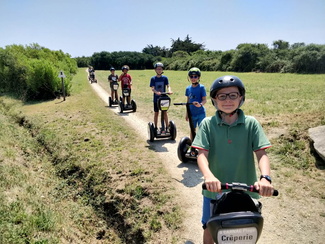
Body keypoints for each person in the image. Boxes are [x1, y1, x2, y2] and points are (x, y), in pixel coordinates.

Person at [191, 75, 274, 244]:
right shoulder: (207, 124)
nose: (228, 100)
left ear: (241, 98)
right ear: (214, 99)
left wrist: (265, 178)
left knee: (245, 233)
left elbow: (261, 154)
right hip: (214, 191)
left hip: (246, 191)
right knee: (210, 230)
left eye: (233, 95)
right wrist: (209, 176)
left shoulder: (251, 124)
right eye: (222, 96)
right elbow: (201, 155)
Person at [149, 62, 173, 133]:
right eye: (158, 69)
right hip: (156, 99)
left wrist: (169, 90)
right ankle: (155, 127)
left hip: (164, 98)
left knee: (165, 112)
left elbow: (168, 85)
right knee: (156, 113)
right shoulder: (153, 78)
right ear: (155, 70)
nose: (159, 70)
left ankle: (167, 127)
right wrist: (157, 92)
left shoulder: (165, 78)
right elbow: (153, 88)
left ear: (162, 70)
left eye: (160, 69)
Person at [185, 67, 207, 141]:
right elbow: (188, 102)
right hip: (192, 113)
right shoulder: (188, 89)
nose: (193, 78)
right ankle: (192, 146)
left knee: (202, 130)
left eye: (195, 76)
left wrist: (200, 104)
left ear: (199, 77)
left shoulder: (201, 87)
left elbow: (204, 100)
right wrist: (187, 114)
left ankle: (202, 146)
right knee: (192, 130)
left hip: (201, 113)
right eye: (191, 76)